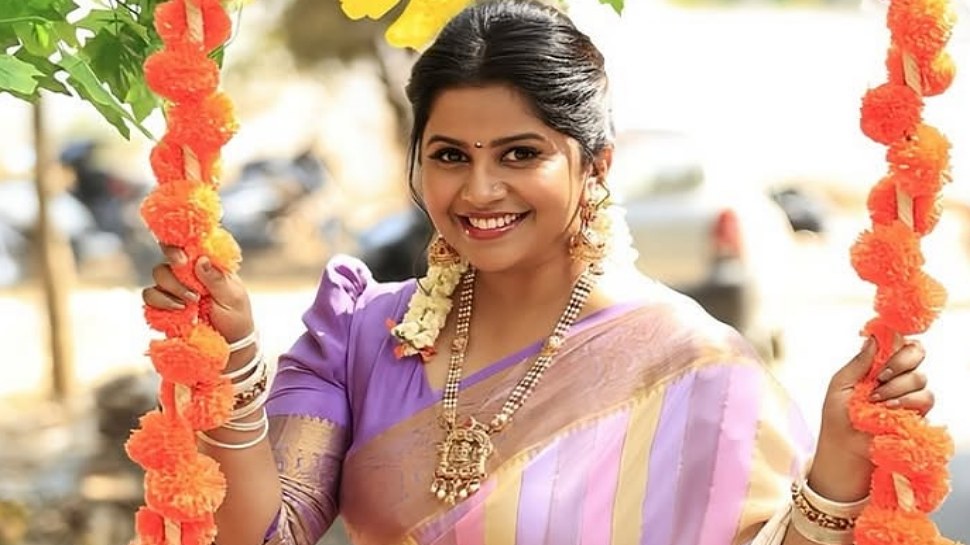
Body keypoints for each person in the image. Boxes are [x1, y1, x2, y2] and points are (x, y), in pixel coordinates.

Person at [142, 1, 936, 544]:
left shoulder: (695, 367)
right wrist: (229, 357)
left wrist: (838, 466)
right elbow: (263, 532)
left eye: (521, 154)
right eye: (450, 155)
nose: (480, 189)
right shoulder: (358, 334)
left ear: (596, 166)